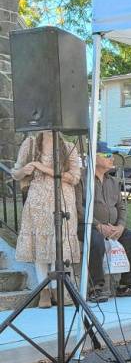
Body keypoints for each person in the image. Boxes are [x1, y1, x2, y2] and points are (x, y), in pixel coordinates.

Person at [12, 131, 82, 308]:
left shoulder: (68, 146)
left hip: (62, 199)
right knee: (40, 246)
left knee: (58, 245)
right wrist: (23, 171)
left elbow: (74, 177)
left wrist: (41, 167)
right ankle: (43, 291)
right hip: (37, 200)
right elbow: (15, 173)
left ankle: (57, 289)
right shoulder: (30, 143)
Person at [77, 142, 131, 302]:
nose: (112, 159)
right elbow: (79, 208)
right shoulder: (81, 178)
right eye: (108, 155)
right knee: (96, 241)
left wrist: (120, 226)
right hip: (88, 225)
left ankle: (125, 286)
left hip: (113, 227)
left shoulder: (114, 181)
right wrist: (98, 225)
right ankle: (96, 288)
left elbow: (121, 207)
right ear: (94, 157)